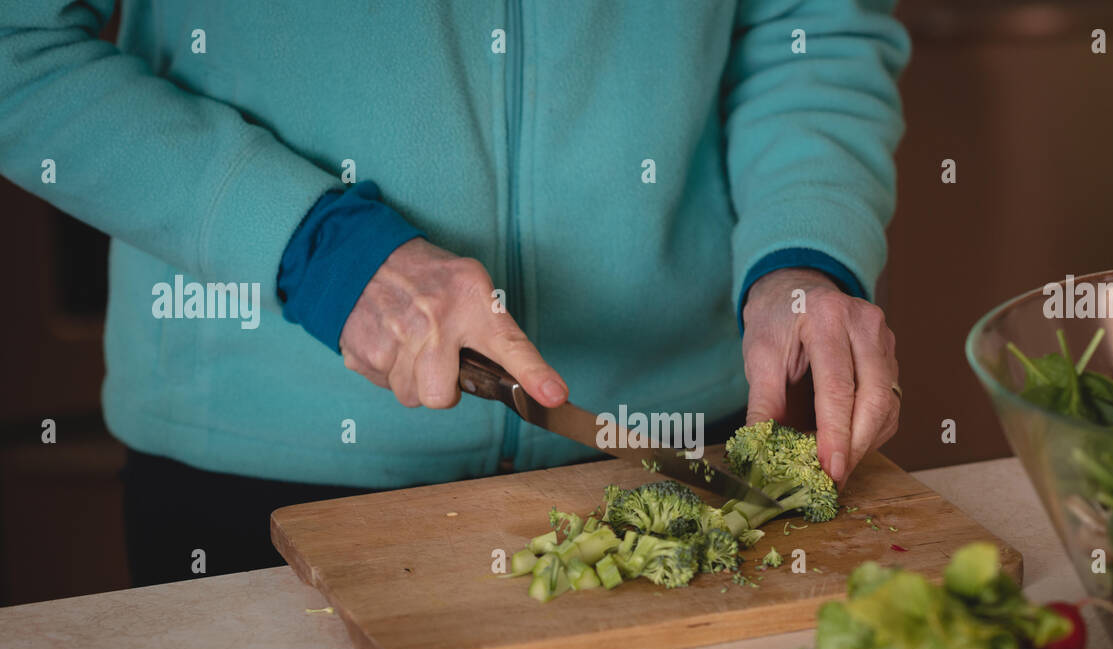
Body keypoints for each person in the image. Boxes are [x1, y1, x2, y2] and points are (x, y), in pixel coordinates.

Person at [0, 0, 907, 586]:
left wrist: (803, 247)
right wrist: (311, 245)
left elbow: (814, 26)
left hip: (673, 453)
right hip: (264, 476)